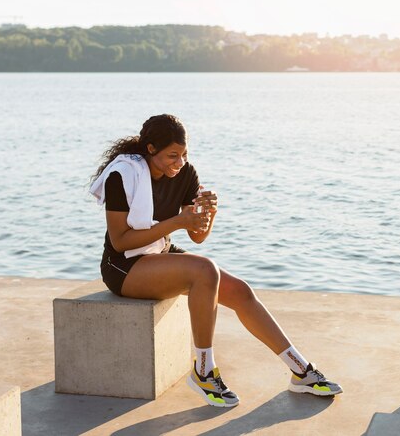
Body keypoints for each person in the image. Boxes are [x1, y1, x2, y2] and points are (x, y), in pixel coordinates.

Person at [89, 114, 342, 408]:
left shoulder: (185, 174)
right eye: (172, 155)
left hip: (159, 252)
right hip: (124, 265)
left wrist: (207, 215)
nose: (179, 162)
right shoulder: (123, 175)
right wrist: (177, 221)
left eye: (184, 154)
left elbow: (197, 236)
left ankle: (301, 371)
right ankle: (204, 371)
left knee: (240, 291)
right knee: (205, 270)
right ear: (150, 149)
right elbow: (120, 240)